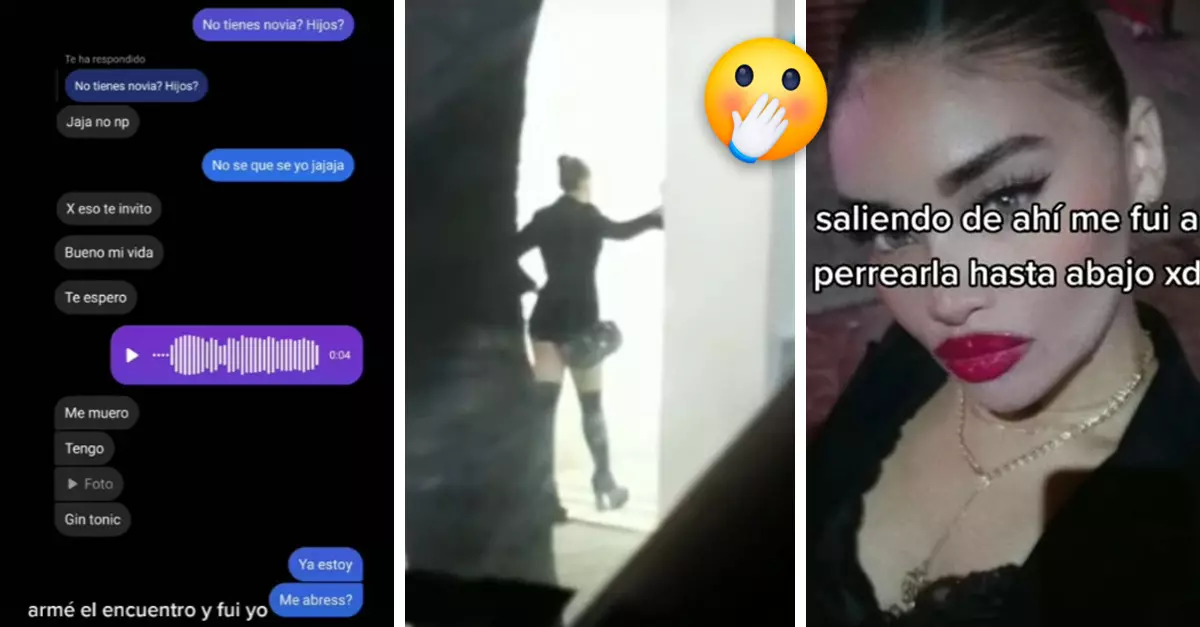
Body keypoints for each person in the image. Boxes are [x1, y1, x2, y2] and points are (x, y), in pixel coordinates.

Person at [809, 1, 1199, 625]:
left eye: (1003, 201)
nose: (945, 299)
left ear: (1141, 158)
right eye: (889, 229)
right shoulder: (901, 368)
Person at [516, 155, 663, 518]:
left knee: (544, 412)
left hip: (546, 319)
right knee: (592, 406)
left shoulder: (544, 217)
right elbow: (623, 231)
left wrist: (530, 285)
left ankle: (545, 498)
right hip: (581, 321)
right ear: (584, 182)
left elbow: (506, 252)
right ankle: (604, 483)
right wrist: (654, 218)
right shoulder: (591, 217)